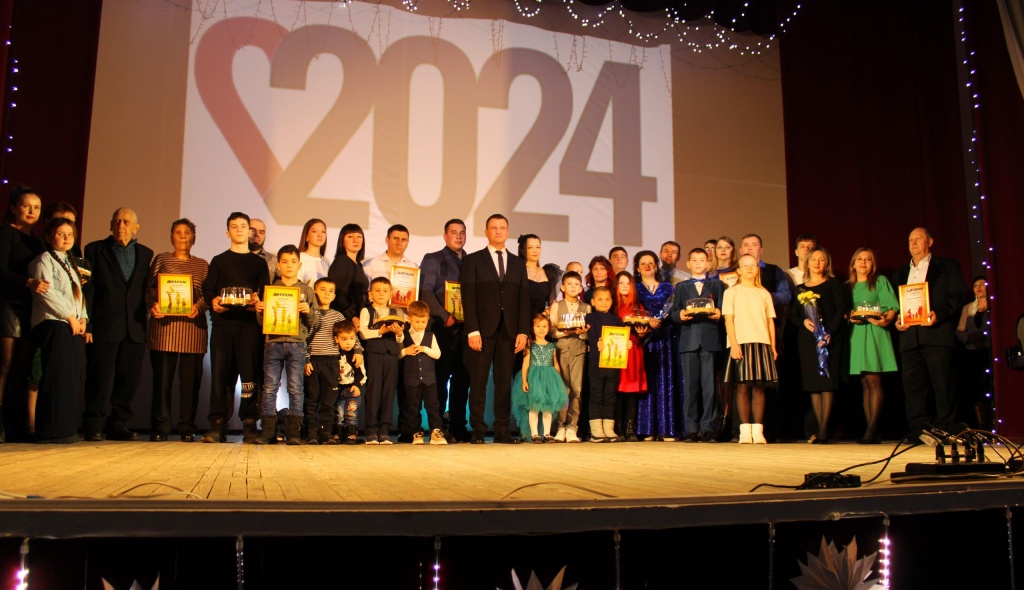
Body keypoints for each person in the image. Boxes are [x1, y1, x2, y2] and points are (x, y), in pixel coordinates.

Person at [82, 208, 154, 441]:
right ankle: (93, 424)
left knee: (128, 380)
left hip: (134, 327)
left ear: (136, 228)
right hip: (104, 324)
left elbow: (145, 290)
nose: (121, 226)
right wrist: (88, 324)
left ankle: (119, 424)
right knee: (99, 378)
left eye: (127, 222)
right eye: (117, 221)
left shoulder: (146, 254)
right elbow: (88, 291)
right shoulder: (94, 250)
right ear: (111, 225)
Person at [460, 213, 530, 444]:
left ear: (507, 232)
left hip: (509, 332)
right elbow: (468, 297)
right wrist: (472, 330)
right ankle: (478, 429)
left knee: (503, 383)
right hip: (481, 331)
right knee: (478, 381)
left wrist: (523, 331)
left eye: (502, 228)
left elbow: (523, 299)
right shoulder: (473, 260)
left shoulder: (518, 263)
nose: (498, 231)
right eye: (494, 228)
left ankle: (502, 429)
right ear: (486, 232)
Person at [203, 212, 270, 443]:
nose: (240, 230)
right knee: (220, 376)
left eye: (243, 226)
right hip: (223, 326)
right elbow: (208, 290)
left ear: (249, 231)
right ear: (227, 232)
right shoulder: (218, 260)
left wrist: (259, 301)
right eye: (234, 226)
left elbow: (265, 292)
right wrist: (213, 301)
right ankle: (217, 425)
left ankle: (250, 425)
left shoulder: (259, 263)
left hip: (249, 328)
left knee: (249, 377)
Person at [894, 227, 969, 435]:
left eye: (918, 239)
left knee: (943, 385)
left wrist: (939, 314)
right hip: (909, 336)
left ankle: (946, 428)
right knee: (913, 387)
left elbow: (959, 295)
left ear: (930, 241)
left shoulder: (947, 266)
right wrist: (898, 320)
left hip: (937, 334)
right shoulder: (900, 272)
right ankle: (920, 431)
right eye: (910, 239)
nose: (913, 243)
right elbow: (896, 305)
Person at [145, 218, 208, 442]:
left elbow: (207, 295)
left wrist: (198, 306)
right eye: (178, 232)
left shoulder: (202, 265)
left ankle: (187, 427)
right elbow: (149, 290)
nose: (183, 236)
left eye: (187, 232)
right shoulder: (161, 259)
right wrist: (153, 305)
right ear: (171, 236)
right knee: (162, 383)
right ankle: (161, 427)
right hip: (164, 330)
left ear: (194, 238)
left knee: (190, 385)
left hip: (193, 330)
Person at [28, 217, 87, 443]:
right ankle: (50, 430)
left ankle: (67, 428)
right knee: (56, 375)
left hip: (70, 324)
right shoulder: (43, 260)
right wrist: (70, 316)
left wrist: (83, 318)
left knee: (70, 375)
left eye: (70, 234)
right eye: (61, 234)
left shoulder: (70, 263)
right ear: (48, 236)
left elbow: (78, 295)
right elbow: (46, 292)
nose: (66, 238)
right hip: (52, 323)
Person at [254, 245, 319, 445]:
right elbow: (261, 322)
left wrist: (308, 311)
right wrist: (259, 310)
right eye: (284, 262)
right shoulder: (271, 289)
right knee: (269, 387)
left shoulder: (306, 290)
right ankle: (268, 431)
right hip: (272, 342)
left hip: (297, 344)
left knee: (295, 388)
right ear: (278, 265)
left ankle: (293, 433)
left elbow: (315, 322)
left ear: (299, 264)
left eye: (293, 262)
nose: (289, 265)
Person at [0, 186, 46, 443]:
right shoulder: (6, 233)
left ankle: (14, 424)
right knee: (4, 365)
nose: (32, 211)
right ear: (14, 208)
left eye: (36, 207)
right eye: (27, 206)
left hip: (31, 308)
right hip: (8, 304)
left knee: (22, 368)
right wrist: (27, 282)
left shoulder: (37, 242)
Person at [419, 219, 469, 441]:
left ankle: (458, 426)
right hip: (443, 329)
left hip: (466, 330)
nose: (458, 236)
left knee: (462, 380)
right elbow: (425, 291)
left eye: (462, 233)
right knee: (440, 380)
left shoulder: (471, 261)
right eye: (453, 232)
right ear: (445, 236)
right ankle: (437, 426)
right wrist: (443, 315)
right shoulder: (433, 259)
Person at [790, 246, 845, 443]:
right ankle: (819, 428)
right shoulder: (800, 288)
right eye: (813, 259)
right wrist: (803, 321)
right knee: (813, 385)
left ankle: (823, 430)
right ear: (808, 262)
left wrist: (830, 332)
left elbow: (840, 309)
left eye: (821, 259)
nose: (817, 263)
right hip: (807, 341)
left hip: (829, 339)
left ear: (827, 263)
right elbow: (793, 316)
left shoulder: (833, 284)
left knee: (827, 383)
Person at [723, 253, 778, 444]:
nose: (749, 268)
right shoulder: (732, 292)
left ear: (757, 269)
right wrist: (734, 344)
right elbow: (728, 320)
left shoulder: (764, 293)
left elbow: (770, 322)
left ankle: (758, 431)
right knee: (742, 387)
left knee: (759, 388)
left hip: (762, 342)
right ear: (738, 270)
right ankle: (744, 431)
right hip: (741, 342)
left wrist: (773, 346)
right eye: (745, 265)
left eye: (753, 265)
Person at [671, 248, 724, 443]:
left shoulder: (718, 285)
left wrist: (719, 314)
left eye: (702, 260)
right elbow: (674, 311)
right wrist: (680, 315)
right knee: (691, 387)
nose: (699, 263)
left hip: (710, 339)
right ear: (688, 264)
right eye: (694, 260)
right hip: (689, 340)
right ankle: (691, 428)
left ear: (708, 264)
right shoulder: (682, 286)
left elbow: (724, 309)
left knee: (709, 387)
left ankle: (708, 428)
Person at [846, 247, 898, 444]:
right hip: (857, 334)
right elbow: (844, 311)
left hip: (875, 332)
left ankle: (871, 429)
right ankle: (872, 429)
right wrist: (849, 317)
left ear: (873, 264)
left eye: (868, 259)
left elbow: (892, 307)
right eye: (859, 259)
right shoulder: (848, 286)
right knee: (864, 383)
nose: (863, 262)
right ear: (853, 264)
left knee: (873, 380)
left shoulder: (880, 281)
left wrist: (886, 320)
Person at [304, 277, 363, 444]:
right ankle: (311, 433)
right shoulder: (309, 314)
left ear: (335, 295)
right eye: (322, 290)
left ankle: (326, 433)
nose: (327, 293)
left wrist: (358, 349)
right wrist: (306, 360)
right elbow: (303, 339)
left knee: (329, 400)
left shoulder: (337, 315)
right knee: (311, 399)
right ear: (314, 292)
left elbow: (349, 333)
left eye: (331, 291)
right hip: (313, 362)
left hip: (332, 362)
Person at [634, 250, 678, 441]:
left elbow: (674, 310)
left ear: (656, 266)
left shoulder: (668, 287)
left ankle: (667, 428)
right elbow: (631, 312)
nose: (647, 266)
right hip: (644, 338)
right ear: (637, 268)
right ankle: (647, 428)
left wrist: (662, 319)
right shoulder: (634, 288)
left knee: (666, 380)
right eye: (643, 263)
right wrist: (645, 322)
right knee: (647, 381)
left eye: (651, 263)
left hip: (667, 338)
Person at [359, 276, 406, 444]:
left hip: (391, 354)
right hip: (374, 354)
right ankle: (371, 430)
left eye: (385, 291)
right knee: (373, 391)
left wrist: (398, 333)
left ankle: (385, 429)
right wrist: (380, 331)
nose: (381, 294)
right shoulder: (366, 311)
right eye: (377, 290)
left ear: (390, 293)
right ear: (370, 293)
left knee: (388, 391)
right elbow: (363, 332)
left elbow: (401, 338)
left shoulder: (397, 311)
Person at [511, 314, 568, 443]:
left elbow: (555, 363)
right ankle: (534, 433)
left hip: (549, 378)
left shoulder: (552, 346)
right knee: (534, 406)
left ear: (549, 328)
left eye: (544, 326)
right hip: (534, 378)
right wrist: (524, 380)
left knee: (548, 407)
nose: (541, 329)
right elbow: (525, 363)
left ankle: (547, 433)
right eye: (538, 326)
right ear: (533, 328)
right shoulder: (530, 346)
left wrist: (558, 381)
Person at [549, 271, 590, 442]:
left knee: (576, 389)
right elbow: (551, 329)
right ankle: (560, 426)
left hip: (578, 350)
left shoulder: (586, 307)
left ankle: (572, 427)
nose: (573, 287)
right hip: (561, 349)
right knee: (562, 389)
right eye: (570, 284)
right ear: (563, 287)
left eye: (577, 284)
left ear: (581, 288)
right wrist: (563, 332)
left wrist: (582, 333)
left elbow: (588, 332)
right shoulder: (557, 306)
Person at [400, 300, 447, 445]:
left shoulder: (430, 336)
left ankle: (436, 431)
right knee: (413, 407)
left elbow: (438, 354)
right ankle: (416, 432)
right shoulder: (404, 335)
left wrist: (425, 349)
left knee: (433, 406)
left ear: (428, 320)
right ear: (409, 319)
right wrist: (405, 351)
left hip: (429, 379)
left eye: (423, 322)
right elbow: (396, 354)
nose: (420, 325)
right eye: (417, 321)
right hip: (411, 379)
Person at [586, 286, 624, 442]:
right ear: (593, 302)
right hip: (596, 362)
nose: (604, 302)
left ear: (612, 301)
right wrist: (597, 343)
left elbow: (621, 338)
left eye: (607, 299)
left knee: (610, 395)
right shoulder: (590, 318)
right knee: (596, 395)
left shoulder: (617, 320)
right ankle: (596, 431)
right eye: (600, 299)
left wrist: (625, 344)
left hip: (613, 362)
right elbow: (591, 336)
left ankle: (609, 429)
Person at [615, 271, 648, 441]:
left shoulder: (638, 307)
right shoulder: (612, 306)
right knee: (618, 390)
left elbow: (643, 330)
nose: (625, 286)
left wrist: (642, 334)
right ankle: (618, 429)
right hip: (615, 350)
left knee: (631, 391)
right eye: (621, 283)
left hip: (633, 350)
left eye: (628, 283)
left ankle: (630, 429)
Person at [956, 276, 992, 429]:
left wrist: (983, 336)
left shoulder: (994, 305)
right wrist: (969, 339)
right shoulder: (968, 308)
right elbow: (959, 331)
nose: (978, 287)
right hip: (973, 353)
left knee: (990, 387)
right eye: (975, 285)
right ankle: (981, 425)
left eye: (982, 284)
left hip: (989, 352)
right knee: (978, 389)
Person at [327, 223, 368, 326]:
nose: (356, 240)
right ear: (342, 240)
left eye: (359, 236)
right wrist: (351, 316)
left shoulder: (358, 264)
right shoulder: (342, 261)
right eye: (350, 236)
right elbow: (339, 293)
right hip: (347, 320)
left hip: (358, 317)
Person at [333, 320, 366, 444]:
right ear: (337, 339)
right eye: (344, 339)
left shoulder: (356, 355)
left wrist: (357, 385)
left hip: (351, 388)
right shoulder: (334, 354)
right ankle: (338, 433)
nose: (348, 342)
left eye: (352, 338)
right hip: (338, 388)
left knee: (351, 412)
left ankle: (351, 434)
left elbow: (361, 373)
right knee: (339, 412)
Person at [518, 234, 559, 317]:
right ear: (522, 250)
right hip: (520, 320)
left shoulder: (548, 272)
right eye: (530, 247)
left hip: (540, 322)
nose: (535, 251)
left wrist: (544, 314)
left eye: (538, 247)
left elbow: (553, 303)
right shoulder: (517, 271)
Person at [297, 218, 330, 285]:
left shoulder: (326, 262)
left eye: (323, 232)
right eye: (315, 231)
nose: (320, 235)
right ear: (306, 236)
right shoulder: (299, 258)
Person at [248, 218, 276, 282]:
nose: (257, 234)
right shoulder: (233, 257)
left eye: (261, 232)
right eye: (253, 230)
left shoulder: (274, 260)